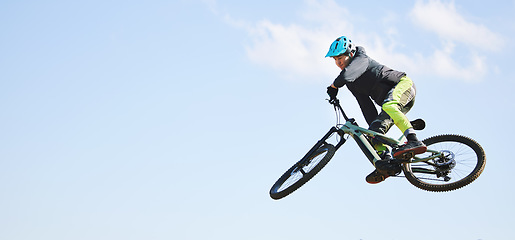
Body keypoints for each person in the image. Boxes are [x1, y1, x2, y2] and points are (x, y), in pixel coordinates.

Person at [325, 36, 427, 184]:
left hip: (403, 86)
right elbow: (365, 105)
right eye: (335, 59)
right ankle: (386, 163)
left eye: (340, 58)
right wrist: (372, 131)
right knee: (373, 134)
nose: (338, 62)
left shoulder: (361, 59)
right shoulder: (351, 83)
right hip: (391, 104)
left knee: (388, 105)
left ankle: (413, 140)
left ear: (351, 54)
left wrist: (334, 86)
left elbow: (346, 75)